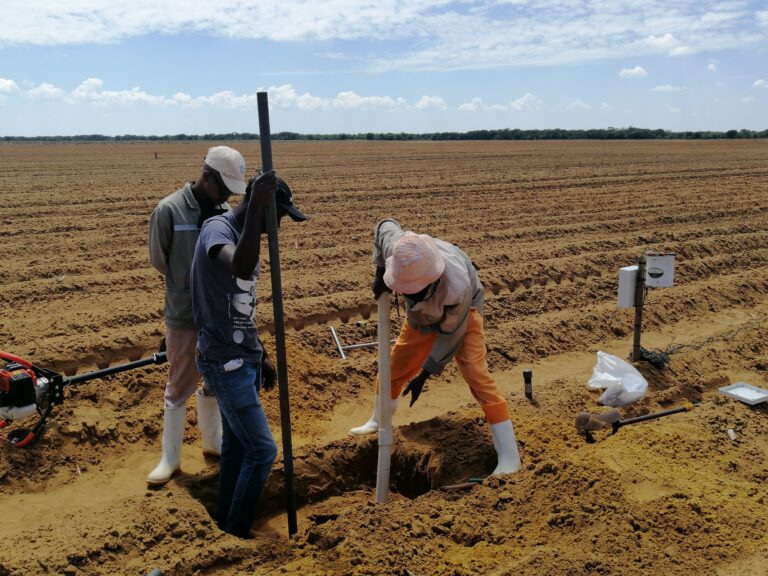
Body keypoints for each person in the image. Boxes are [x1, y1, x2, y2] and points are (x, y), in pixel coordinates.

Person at [349, 218, 522, 476]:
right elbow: (383, 225)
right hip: (422, 317)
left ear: (431, 280)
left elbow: (450, 335)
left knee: (476, 373)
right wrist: (380, 275)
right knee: (395, 366)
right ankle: (378, 420)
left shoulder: (458, 287)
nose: (410, 297)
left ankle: (509, 457)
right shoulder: (399, 248)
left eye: (415, 292)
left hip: (465, 312)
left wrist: (425, 374)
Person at [191, 169, 307, 538]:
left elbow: (242, 307)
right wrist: (256, 204)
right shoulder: (218, 230)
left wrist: (262, 354)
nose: (279, 229)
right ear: (261, 208)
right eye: (279, 219)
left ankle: (227, 520)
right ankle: (238, 531)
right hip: (224, 362)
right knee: (262, 450)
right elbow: (239, 267)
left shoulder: (245, 235)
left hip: (242, 358)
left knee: (239, 448)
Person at [147, 145, 247, 486]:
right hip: (184, 311)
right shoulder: (169, 210)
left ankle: (212, 443)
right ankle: (170, 458)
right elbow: (160, 260)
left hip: (217, 312)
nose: (226, 196)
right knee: (179, 382)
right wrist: (186, 285)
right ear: (206, 176)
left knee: (215, 377)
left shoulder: (222, 212)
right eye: (223, 188)